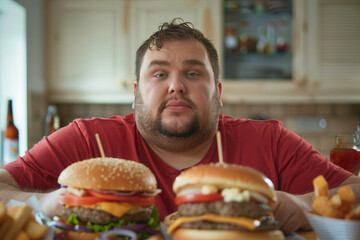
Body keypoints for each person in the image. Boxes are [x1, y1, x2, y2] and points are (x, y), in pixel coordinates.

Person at [1, 18, 360, 235]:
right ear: (136, 92)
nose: (176, 85)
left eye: (192, 73)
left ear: (217, 93)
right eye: (159, 73)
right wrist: (42, 203)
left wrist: (303, 205)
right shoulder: (87, 139)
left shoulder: (269, 141)